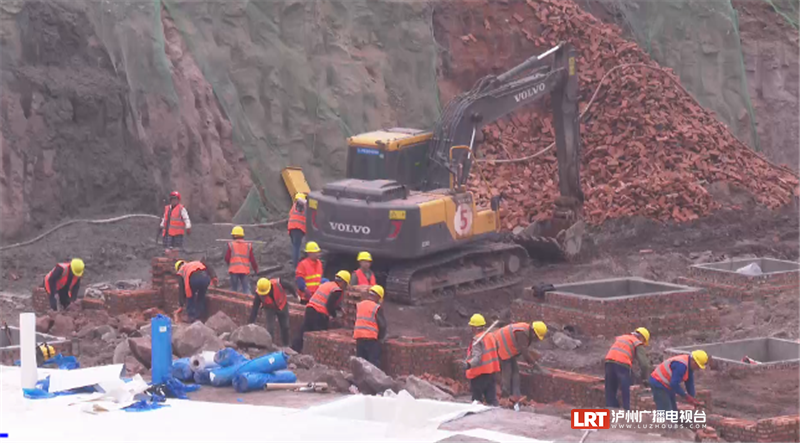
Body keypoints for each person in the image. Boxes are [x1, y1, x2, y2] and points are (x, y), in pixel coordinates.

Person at [291, 270, 350, 352]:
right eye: (346, 284)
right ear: (343, 282)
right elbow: (329, 305)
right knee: (319, 336)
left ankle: (294, 348)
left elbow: (325, 299)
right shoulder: (337, 290)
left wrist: (339, 308)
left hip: (310, 308)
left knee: (304, 330)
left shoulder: (327, 284)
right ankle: (314, 353)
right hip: (318, 314)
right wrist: (334, 316)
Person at [494, 320, 547, 400]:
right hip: (500, 346)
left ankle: (516, 395)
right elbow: (524, 352)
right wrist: (536, 366)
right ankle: (505, 395)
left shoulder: (525, 330)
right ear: (533, 332)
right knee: (507, 371)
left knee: (515, 371)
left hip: (507, 348)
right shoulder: (522, 333)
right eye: (537, 337)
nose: (536, 340)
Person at [605, 327, 652, 410]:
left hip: (609, 361)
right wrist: (646, 378)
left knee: (610, 387)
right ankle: (627, 410)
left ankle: (611, 410)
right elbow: (644, 364)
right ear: (642, 338)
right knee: (626, 387)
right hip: (622, 364)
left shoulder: (623, 337)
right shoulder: (637, 342)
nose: (643, 345)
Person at [464, 314, 500, 406]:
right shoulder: (491, 336)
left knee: (476, 401)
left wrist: (468, 365)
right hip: (491, 372)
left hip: (479, 375)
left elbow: (477, 358)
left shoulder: (477, 340)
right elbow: (497, 347)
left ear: (475, 328)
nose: (471, 329)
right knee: (491, 400)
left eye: (472, 326)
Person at [249, 277, 296, 347]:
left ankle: (286, 345)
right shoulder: (259, 293)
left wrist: (296, 295)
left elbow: (289, 286)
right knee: (270, 328)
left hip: (282, 305)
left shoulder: (278, 283)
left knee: (285, 326)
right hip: (269, 308)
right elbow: (255, 308)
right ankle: (269, 345)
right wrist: (251, 322)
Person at [353, 285, 387, 367]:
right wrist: (381, 338)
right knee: (373, 363)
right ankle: (372, 380)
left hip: (359, 337)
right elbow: (382, 325)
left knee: (360, 363)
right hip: (371, 339)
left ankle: (359, 379)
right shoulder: (376, 307)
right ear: (378, 297)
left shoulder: (360, 305)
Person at [224, 226, 259, 294]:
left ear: (234, 235)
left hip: (234, 270)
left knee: (234, 290)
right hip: (244, 270)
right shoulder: (248, 245)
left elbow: (227, 258)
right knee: (246, 289)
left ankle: (233, 302)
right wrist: (256, 269)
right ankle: (249, 302)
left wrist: (229, 264)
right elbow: (252, 259)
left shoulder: (231, 245)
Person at [288, 193, 307, 268]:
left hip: (291, 228)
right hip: (299, 229)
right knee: (297, 247)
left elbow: (290, 215)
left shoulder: (294, 206)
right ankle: (295, 265)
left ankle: (294, 260)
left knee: (294, 245)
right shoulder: (305, 207)